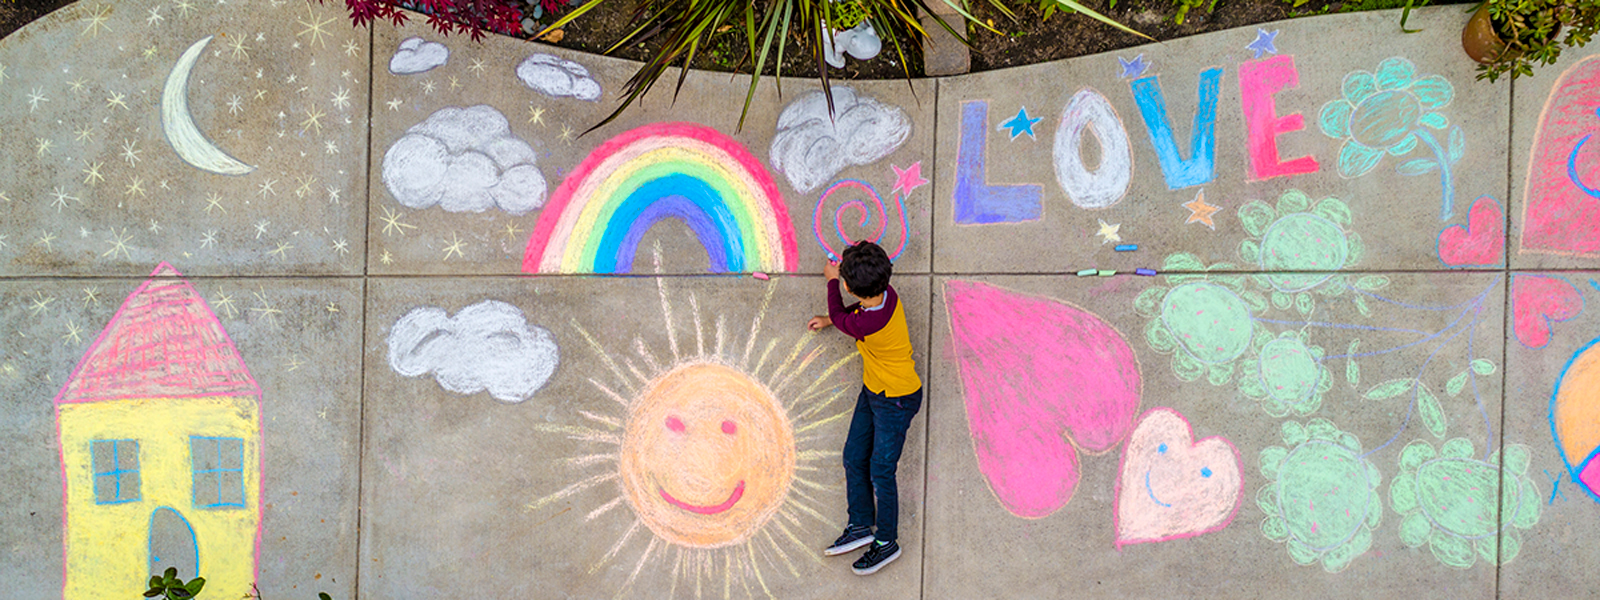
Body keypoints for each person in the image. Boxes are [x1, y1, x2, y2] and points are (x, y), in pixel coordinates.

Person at [806, 241, 922, 576]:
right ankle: (860, 524)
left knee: (881, 471)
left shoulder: (865, 322)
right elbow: (849, 316)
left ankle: (886, 542)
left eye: (842, 278)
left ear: (849, 287)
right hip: (875, 389)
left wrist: (831, 281)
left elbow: (848, 318)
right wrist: (831, 320)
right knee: (854, 456)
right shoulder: (885, 294)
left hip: (896, 399)